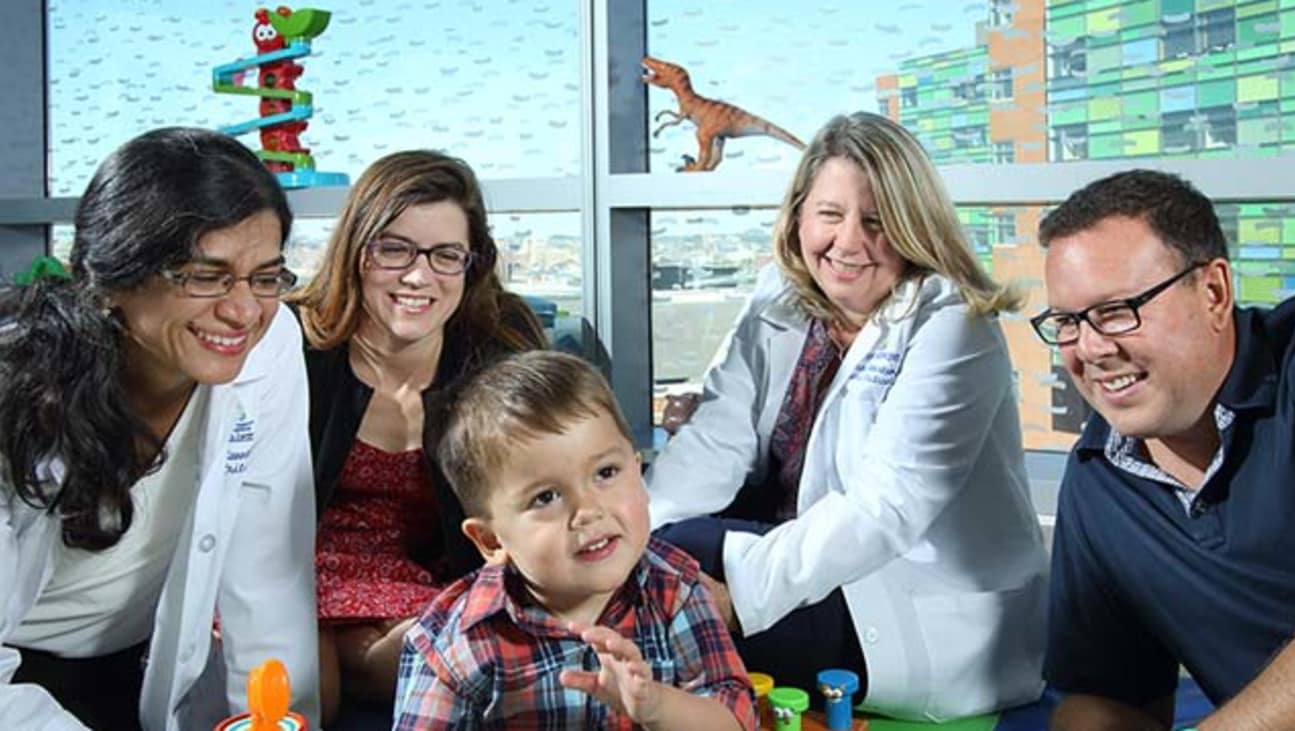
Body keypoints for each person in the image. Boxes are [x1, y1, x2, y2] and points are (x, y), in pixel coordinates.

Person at [645, 111, 1049, 720]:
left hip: (908, 601)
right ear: (801, 214)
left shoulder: (954, 324)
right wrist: (631, 532)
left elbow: (885, 507)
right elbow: (716, 442)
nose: (849, 242)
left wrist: (738, 596)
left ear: (916, 227)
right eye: (830, 215)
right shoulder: (777, 296)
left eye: (878, 222)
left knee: (666, 582)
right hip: (806, 558)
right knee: (655, 555)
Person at [0, 127, 318, 730]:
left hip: (137, 666)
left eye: (265, 277)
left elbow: (269, 573)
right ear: (115, 278)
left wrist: (277, 721)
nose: (243, 310)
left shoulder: (270, 347)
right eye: (206, 275)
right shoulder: (16, 389)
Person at [1033, 170, 1295, 731]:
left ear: (1214, 293)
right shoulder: (1097, 480)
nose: (1091, 349)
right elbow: (1107, 702)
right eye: (1066, 323)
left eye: (1116, 311)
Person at [287, 149, 545, 722]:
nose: (418, 275)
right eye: (394, 248)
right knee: (304, 688)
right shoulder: (291, 345)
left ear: (470, 265)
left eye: (445, 255)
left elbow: (541, 486)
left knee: (444, 664)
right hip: (289, 574)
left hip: (423, 586)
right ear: (357, 249)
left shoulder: (498, 352)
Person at [394, 350, 757, 730]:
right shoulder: (455, 644)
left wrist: (656, 706)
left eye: (606, 472)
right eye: (546, 497)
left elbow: (737, 720)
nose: (588, 510)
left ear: (638, 471)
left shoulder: (677, 590)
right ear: (490, 540)